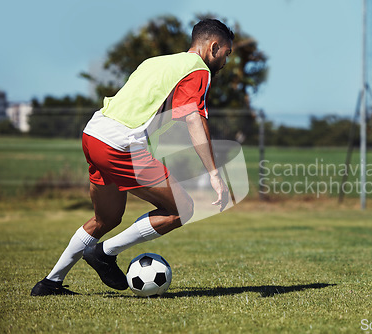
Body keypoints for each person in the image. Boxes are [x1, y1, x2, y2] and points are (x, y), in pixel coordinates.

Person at [31, 19, 234, 296]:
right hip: (120, 144)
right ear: (214, 47)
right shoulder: (198, 70)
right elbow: (192, 118)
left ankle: (49, 284)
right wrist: (213, 173)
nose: (226, 60)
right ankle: (104, 253)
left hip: (94, 133)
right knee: (182, 209)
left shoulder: (155, 62)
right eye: (227, 53)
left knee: (106, 218)